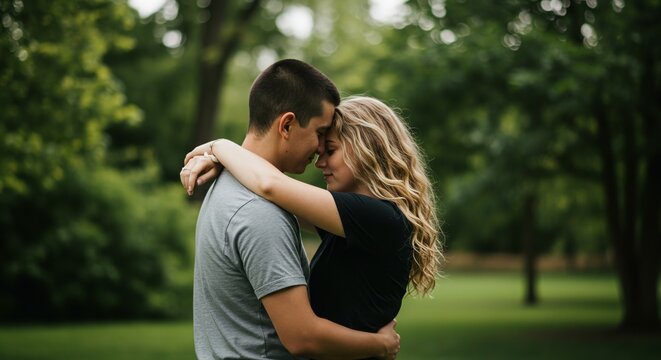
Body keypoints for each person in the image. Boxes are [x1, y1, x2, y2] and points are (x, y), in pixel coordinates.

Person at [182, 95, 443, 351]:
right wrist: (222, 162)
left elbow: (270, 185)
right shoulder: (352, 222)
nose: (320, 162)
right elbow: (270, 196)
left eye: (330, 150)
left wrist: (219, 147)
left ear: (368, 149)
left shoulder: (378, 218)